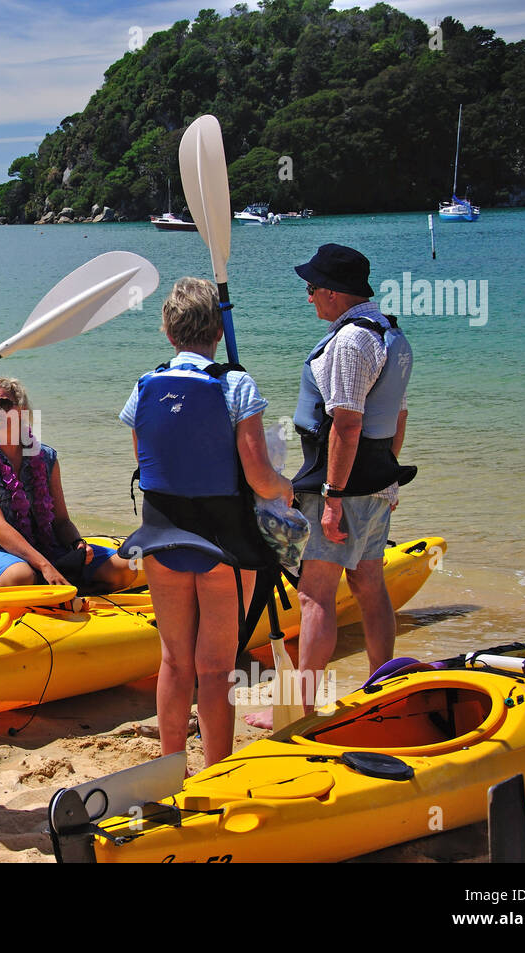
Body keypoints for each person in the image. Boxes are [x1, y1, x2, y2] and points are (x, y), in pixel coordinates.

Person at [118, 277, 292, 767]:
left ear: (169, 331)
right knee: (215, 670)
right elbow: (258, 477)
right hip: (224, 543)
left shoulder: (145, 385)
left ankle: (170, 767)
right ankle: (215, 771)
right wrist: (287, 490)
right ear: (219, 327)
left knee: (174, 661)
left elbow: (146, 461)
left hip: (160, 538)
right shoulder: (236, 384)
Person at [248, 243, 414, 727]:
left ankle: (301, 711)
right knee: (368, 582)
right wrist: (386, 480)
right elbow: (398, 417)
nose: (308, 299)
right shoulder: (393, 335)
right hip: (374, 480)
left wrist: (334, 500)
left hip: (337, 486)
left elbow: (345, 424)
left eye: (312, 288)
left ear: (335, 294)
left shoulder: (349, 342)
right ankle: (384, 686)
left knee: (315, 595)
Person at [0, 377, 137, 592]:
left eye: (4, 403)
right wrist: (44, 565)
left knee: (126, 567)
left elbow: (61, 520)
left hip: (44, 544)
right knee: (20, 576)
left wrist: (77, 544)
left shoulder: (46, 457)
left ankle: (71, 594)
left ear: (21, 410)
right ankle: (45, 585)